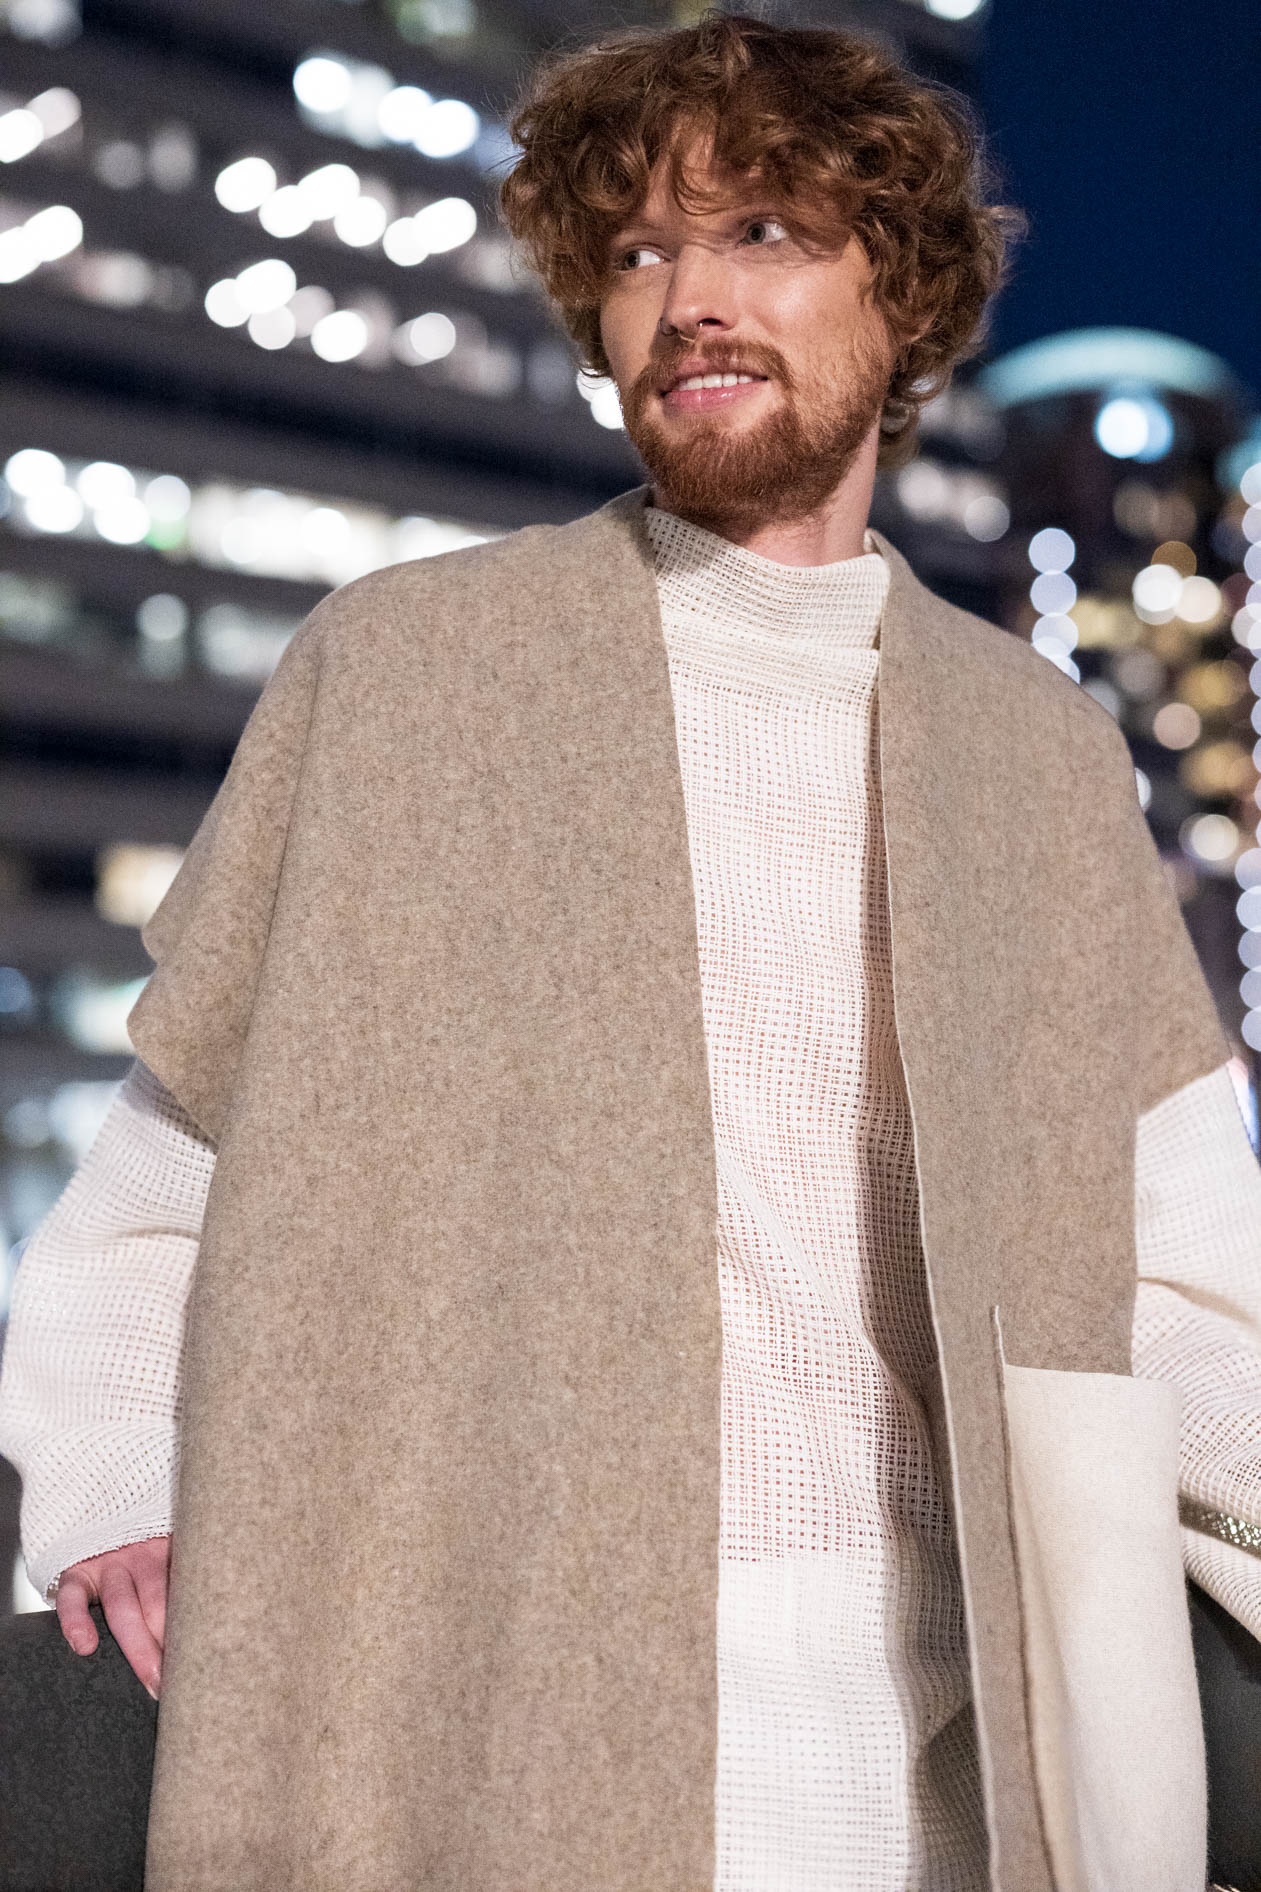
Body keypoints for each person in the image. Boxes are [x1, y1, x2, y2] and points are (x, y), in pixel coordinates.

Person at [1, 14, 1259, 1891]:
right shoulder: (412, 671)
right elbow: (168, 1187)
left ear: (898, 304)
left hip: (966, 1740)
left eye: (759, 233)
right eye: (639, 254)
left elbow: (1180, 1263)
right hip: (485, 1694)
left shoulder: (1033, 750)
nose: (686, 297)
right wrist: (112, 1493)